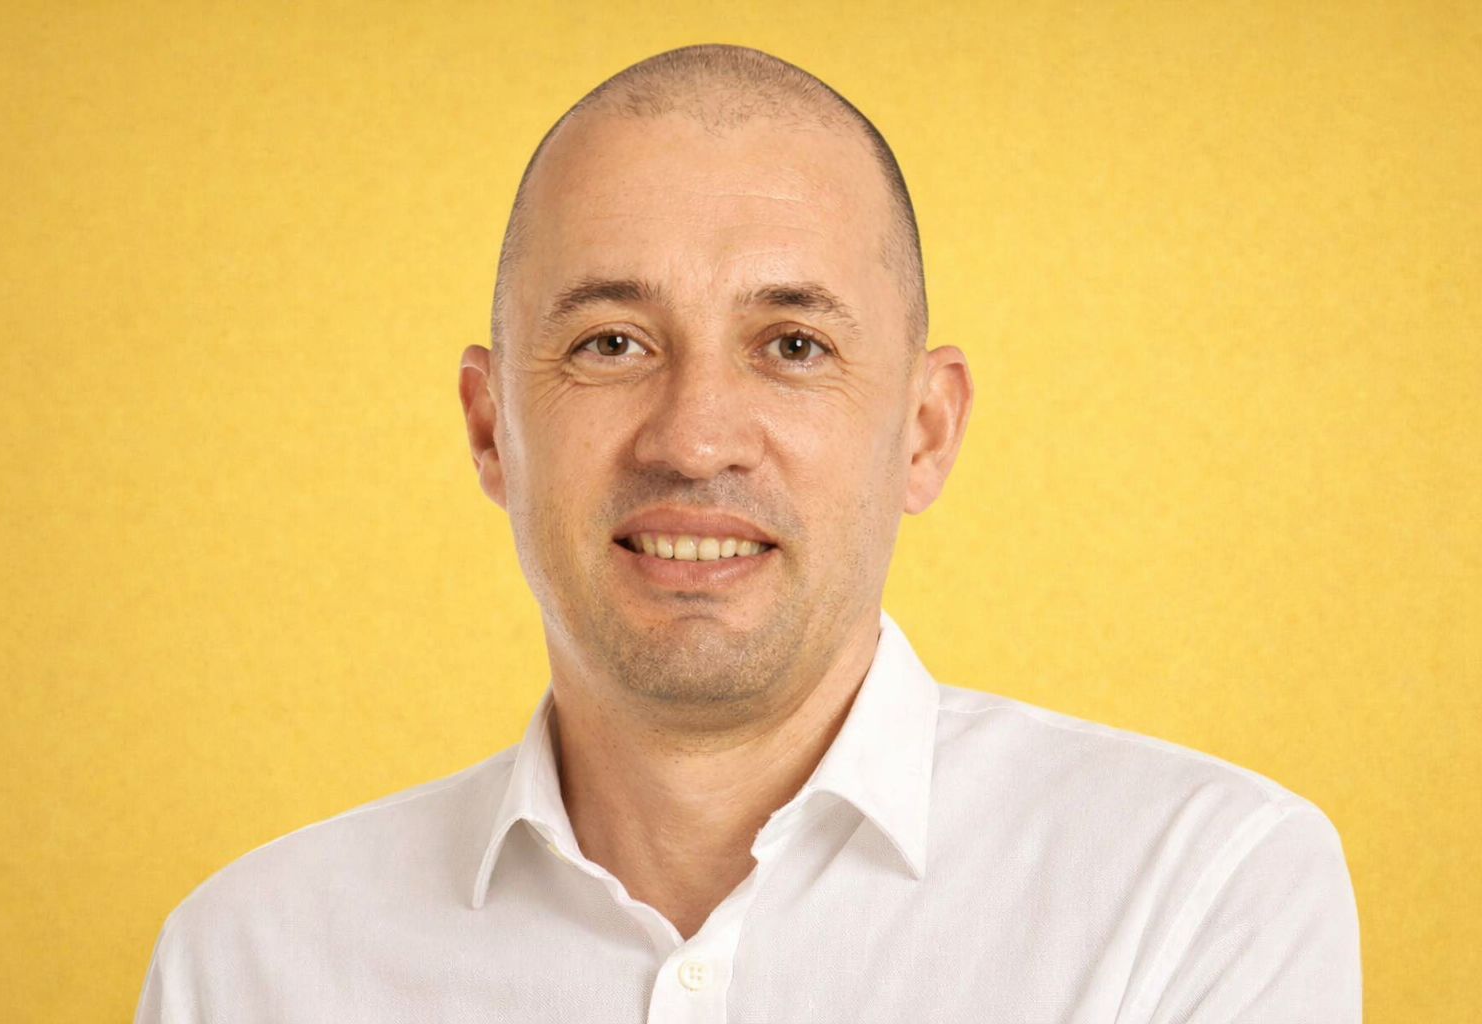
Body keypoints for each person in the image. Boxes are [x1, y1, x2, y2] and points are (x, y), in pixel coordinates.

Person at [134, 43, 1360, 1023]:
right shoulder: (250, 965)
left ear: (925, 430)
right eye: (612, 342)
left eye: (793, 345)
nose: (695, 438)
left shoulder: (1197, 892)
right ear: (491, 425)